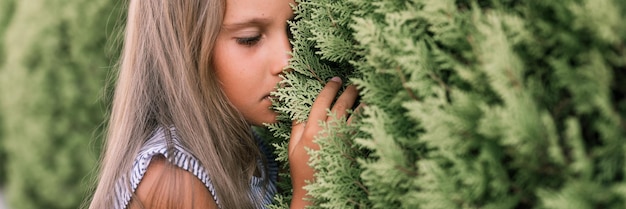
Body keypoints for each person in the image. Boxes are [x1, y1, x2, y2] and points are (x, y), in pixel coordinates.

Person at [88, 0, 359, 208]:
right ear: (185, 50)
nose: (287, 59)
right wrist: (308, 191)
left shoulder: (244, 147)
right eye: (250, 38)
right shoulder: (172, 178)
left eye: (291, 28)